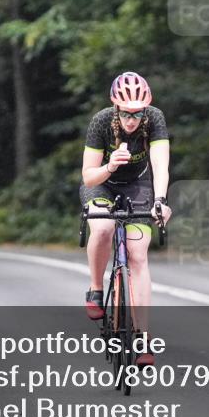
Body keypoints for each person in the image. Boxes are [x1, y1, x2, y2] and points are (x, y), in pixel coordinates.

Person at [79, 71, 171, 367]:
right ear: (115, 108)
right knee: (104, 227)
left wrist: (160, 201)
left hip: (139, 186)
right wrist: (109, 166)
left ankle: (142, 336)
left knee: (138, 255)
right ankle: (95, 288)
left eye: (138, 113)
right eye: (126, 114)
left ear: (146, 110)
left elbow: (160, 165)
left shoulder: (154, 119)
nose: (132, 120)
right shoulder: (101, 122)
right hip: (101, 183)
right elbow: (88, 175)